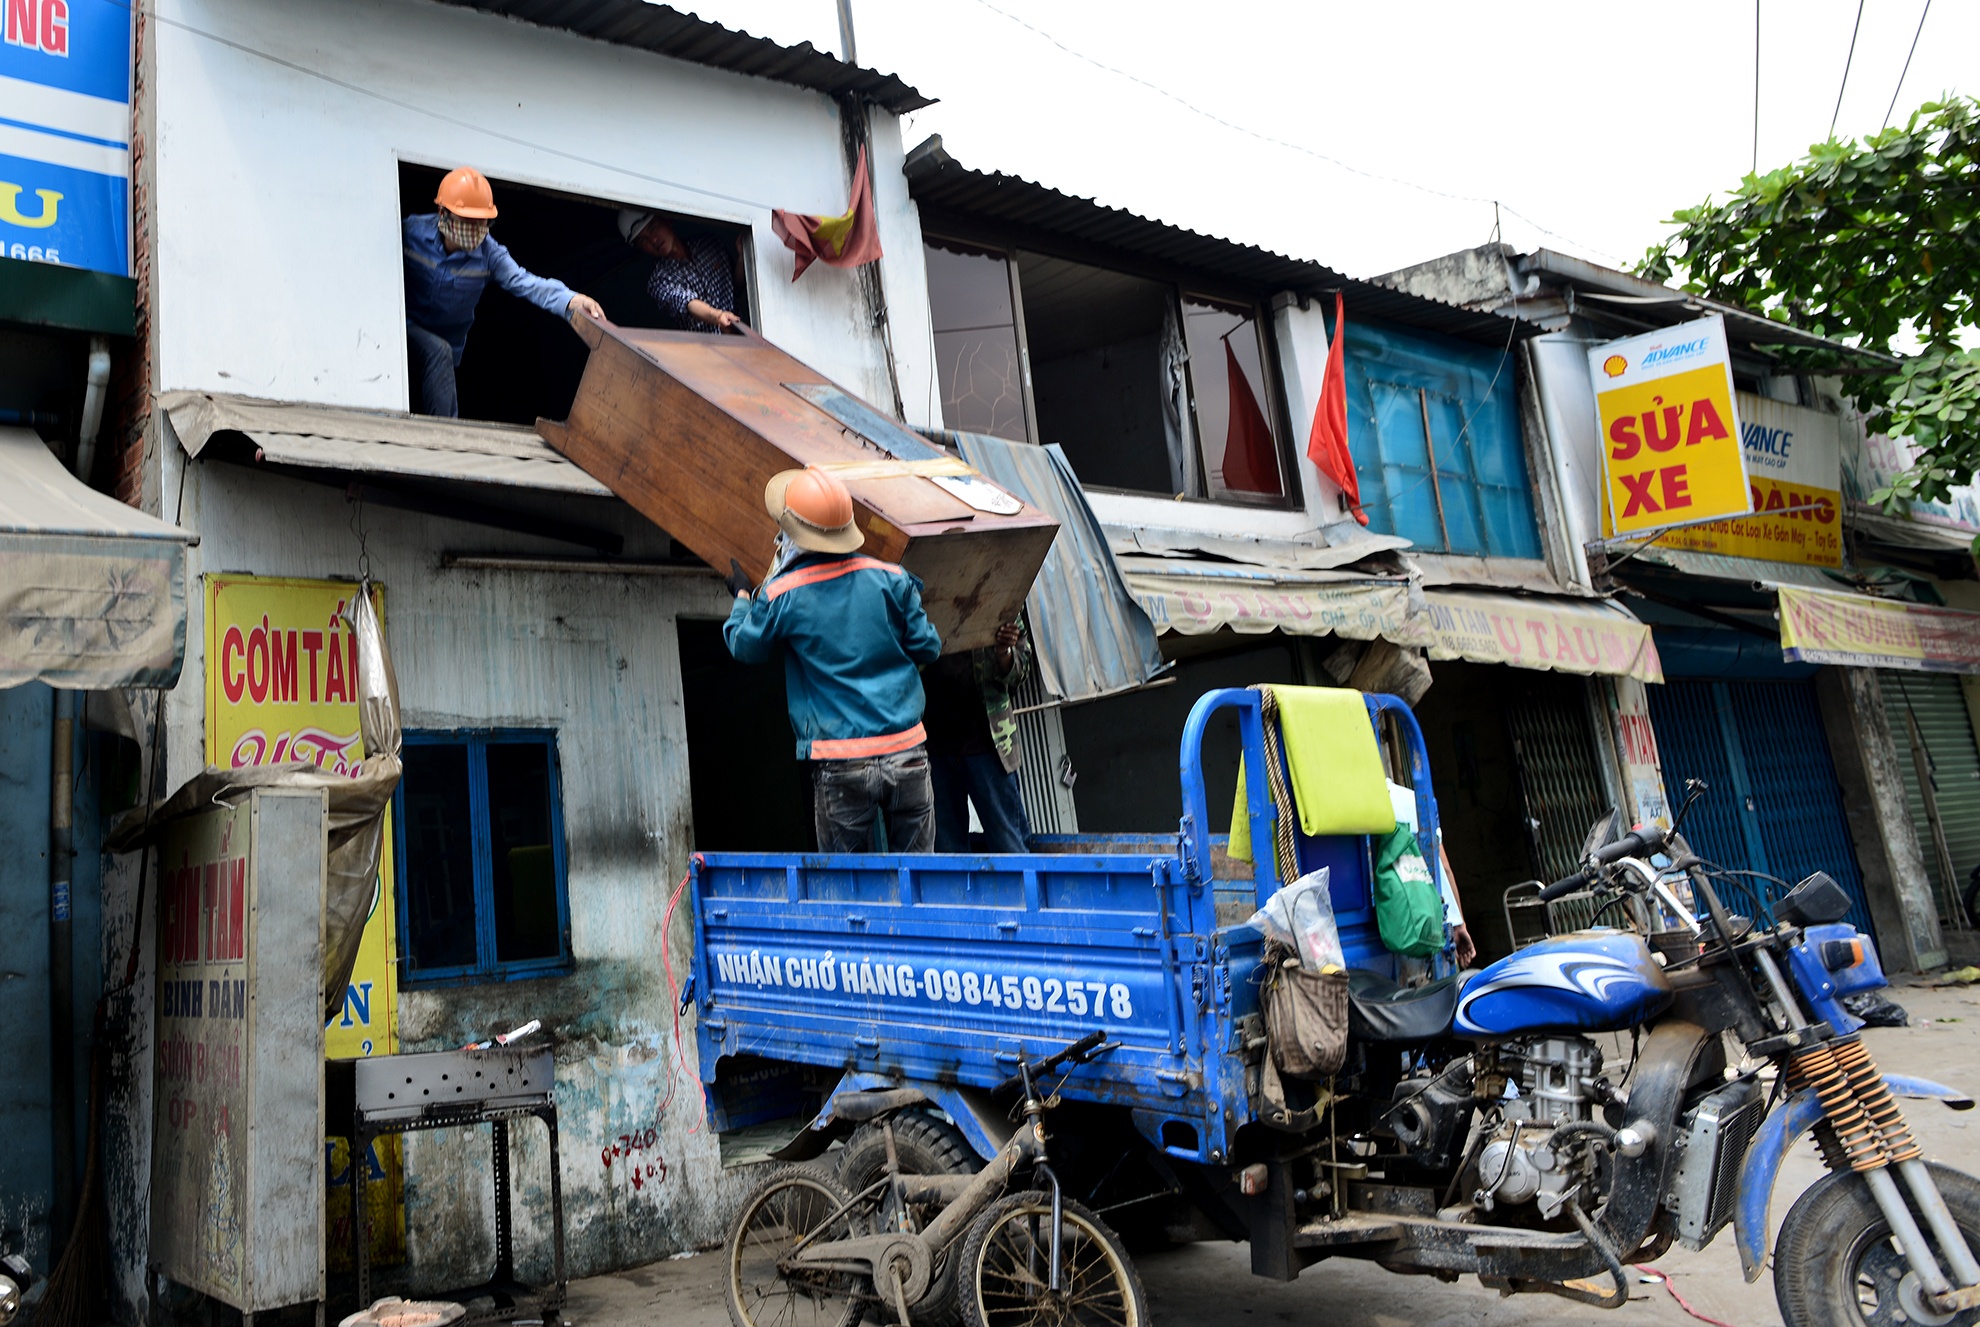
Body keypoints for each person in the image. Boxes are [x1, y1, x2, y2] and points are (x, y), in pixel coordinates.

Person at [724, 466, 943, 852]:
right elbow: (929, 648)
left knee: (848, 890)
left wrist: (743, 598)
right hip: (906, 752)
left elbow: (746, 647)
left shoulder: (783, 594)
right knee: (920, 880)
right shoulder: (892, 578)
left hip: (840, 762)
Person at [404, 166, 605, 418]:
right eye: (469, 221)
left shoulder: (490, 255)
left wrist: (571, 300)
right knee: (438, 351)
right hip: (402, 327)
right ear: (443, 213)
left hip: (443, 347)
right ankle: (445, 431)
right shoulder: (410, 232)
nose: (477, 229)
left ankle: (443, 437)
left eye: (483, 222)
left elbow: (528, 283)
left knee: (439, 354)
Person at [922, 622, 1032, 853]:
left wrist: (1004, 651)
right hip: (933, 748)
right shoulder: (913, 595)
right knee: (948, 854)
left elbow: (1020, 672)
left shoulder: (998, 596)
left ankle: (1024, 890)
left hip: (987, 743)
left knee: (1010, 846)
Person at [617, 209, 741, 332]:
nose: (653, 240)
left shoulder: (709, 244)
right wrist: (717, 317)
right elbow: (688, 303)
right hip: (706, 349)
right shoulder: (659, 280)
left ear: (667, 220)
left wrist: (743, 256)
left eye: (653, 228)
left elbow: (736, 286)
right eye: (643, 240)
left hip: (745, 339)